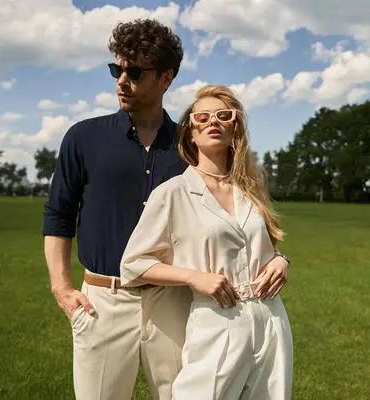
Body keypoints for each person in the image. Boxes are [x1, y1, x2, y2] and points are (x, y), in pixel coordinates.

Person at [42, 19, 193, 400]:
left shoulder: (189, 147)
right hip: (102, 303)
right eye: (117, 69)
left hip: (173, 304)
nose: (122, 81)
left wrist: (279, 258)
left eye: (136, 72)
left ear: (166, 78)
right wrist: (61, 288)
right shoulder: (83, 137)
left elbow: (229, 213)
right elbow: (58, 214)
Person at [120, 85, 294, 399]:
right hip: (217, 318)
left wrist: (282, 261)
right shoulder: (172, 194)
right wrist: (194, 277)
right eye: (203, 116)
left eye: (223, 115)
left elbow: (261, 247)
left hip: (270, 318)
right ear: (190, 132)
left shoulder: (252, 188)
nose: (213, 121)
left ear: (235, 127)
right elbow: (133, 264)